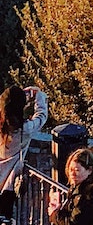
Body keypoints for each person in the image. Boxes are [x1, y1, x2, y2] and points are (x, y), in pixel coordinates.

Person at [0, 86, 47, 219]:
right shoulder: (24, 129)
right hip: (8, 184)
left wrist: (11, 98)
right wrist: (39, 96)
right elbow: (41, 116)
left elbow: (6, 108)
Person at [50, 149, 93, 225]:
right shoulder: (80, 189)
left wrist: (55, 214)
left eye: (77, 170)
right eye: (70, 170)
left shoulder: (91, 194)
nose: (72, 174)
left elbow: (74, 222)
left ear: (90, 170)